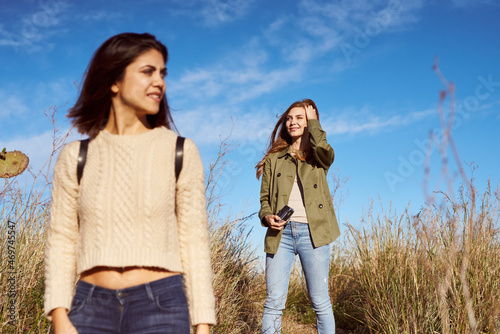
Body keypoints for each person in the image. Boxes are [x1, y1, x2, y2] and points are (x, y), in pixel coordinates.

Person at [44, 32, 215, 334]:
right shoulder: (76, 157)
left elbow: (194, 242)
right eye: (148, 71)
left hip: (161, 306)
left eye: (163, 73)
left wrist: (203, 324)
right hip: (89, 307)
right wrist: (59, 315)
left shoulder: (180, 152)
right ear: (114, 80)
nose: (160, 81)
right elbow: (61, 240)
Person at [256, 99, 340, 333]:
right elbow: (264, 200)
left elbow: (326, 152)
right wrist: (267, 217)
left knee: (320, 302)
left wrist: (314, 123)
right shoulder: (274, 158)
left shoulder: (318, 156)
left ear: (310, 122)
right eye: (289, 118)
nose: (292, 122)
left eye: (300, 118)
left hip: (313, 234)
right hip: (279, 235)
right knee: (273, 303)